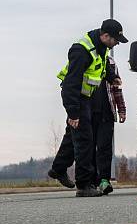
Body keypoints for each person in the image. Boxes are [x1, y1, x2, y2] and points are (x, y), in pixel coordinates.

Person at [48, 19, 128, 197]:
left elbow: (101, 66)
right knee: (85, 140)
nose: (116, 44)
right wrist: (73, 112)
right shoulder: (81, 50)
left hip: (87, 97)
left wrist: (111, 77)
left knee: (73, 136)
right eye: (115, 40)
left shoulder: (101, 46)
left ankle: (58, 169)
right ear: (105, 36)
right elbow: (70, 84)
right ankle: (84, 185)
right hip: (77, 98)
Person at [92, 56, 127, 195]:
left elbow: (117, 88)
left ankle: (104, 180)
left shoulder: (111, 63)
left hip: (107, 112)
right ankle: (91, 181)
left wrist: (122, 110)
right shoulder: (88, 58)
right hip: (89, 113)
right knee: (89, 148)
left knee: (105, 148)